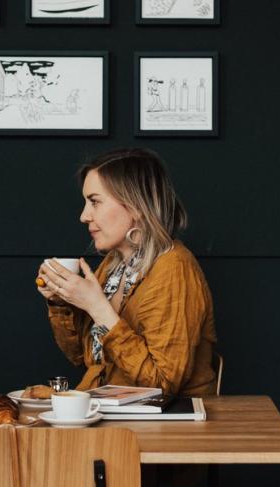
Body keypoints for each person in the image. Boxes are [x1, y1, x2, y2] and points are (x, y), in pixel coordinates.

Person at [38, 147, 217, 397]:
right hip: (110, 413)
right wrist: (60, 300)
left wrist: (98, 307)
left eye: (95, 201)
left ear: (136, 206)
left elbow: (162, 385)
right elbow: (81, 357)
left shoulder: (173, 268)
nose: (83, 216)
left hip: (168, 427)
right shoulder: (114, 265)